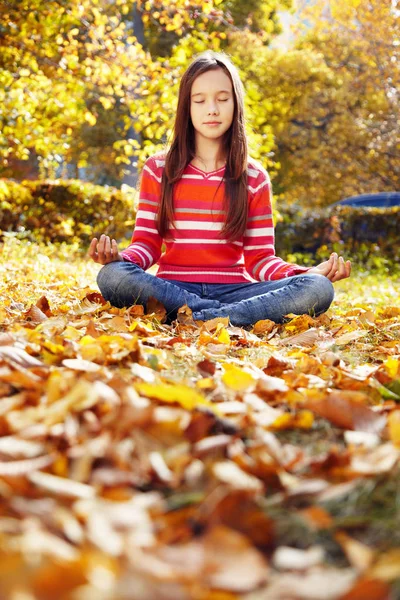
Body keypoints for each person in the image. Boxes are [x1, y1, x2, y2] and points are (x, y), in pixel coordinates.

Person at [89, 51, 351, 327]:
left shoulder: (254, 176)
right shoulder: (158, 169)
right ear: (186, 107)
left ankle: (200, 316)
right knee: (112, 275)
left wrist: (307, 272)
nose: (212, 109)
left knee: (318, 288)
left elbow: (260, 260)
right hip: (172, 290)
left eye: (222, 99)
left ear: (235, 104)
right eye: (200, 100)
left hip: (236, 292)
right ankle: (224, 317)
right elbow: (147, 246)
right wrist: (120, 258)